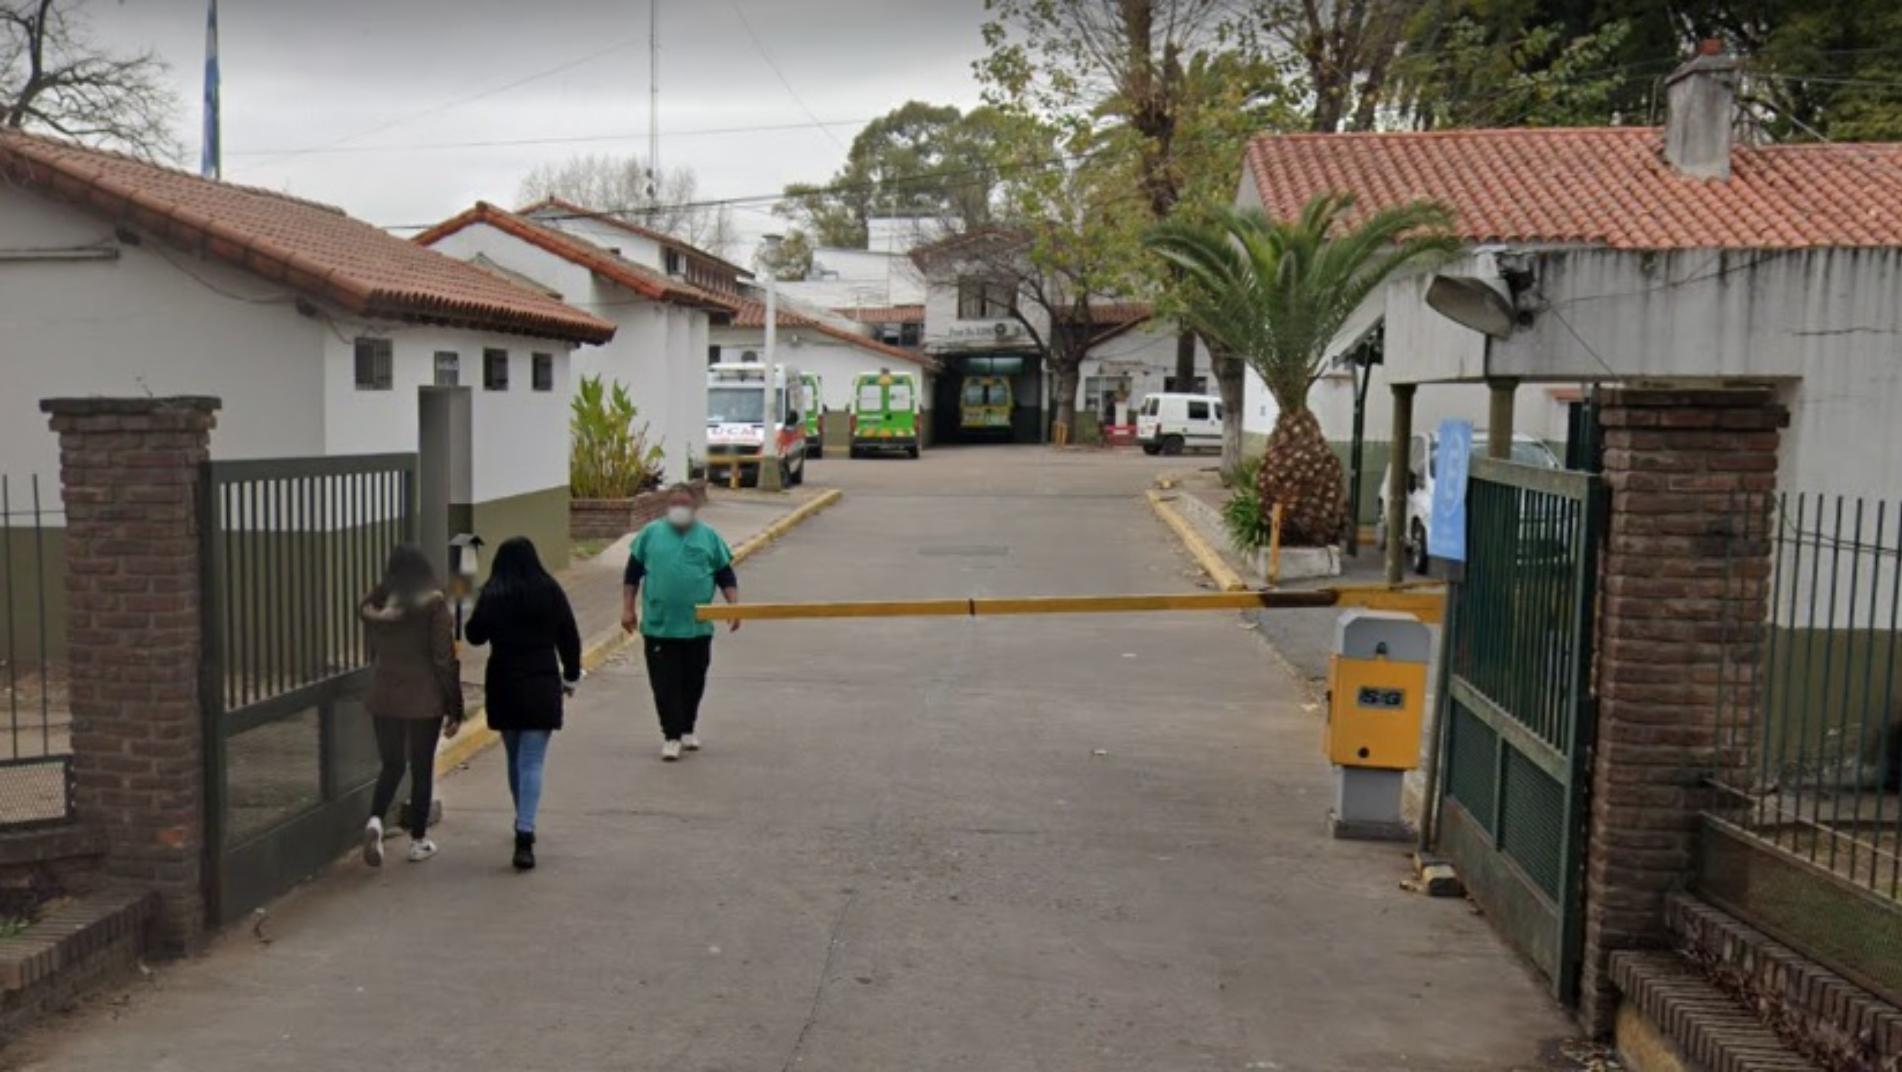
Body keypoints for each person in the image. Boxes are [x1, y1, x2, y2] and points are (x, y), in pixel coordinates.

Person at [465, 537, 582, 871]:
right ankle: (525, 830)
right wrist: (571, 675)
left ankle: (523, 820)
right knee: (531, 762)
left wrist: (474, 602)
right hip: (541, 682)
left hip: (504, 683)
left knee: (515, 759)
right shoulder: (549, 590)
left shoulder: (493, 593)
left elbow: (475, 635)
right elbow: (568, 636)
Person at [622, 484, 741, 761]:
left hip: (697, 627)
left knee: (693, 681)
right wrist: (627, 608)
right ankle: (671, 735)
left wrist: (734, 607)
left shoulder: (709, 537)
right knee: (664, 684)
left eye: (685, 503)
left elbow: (725, 575)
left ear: (695, 507)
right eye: (674, 503)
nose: (679, 508)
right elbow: (632, 574)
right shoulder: (650, 534)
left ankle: (687, 727)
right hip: (659, 625)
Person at [360, 544, 460, 866]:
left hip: (384, 695)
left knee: (391, 764)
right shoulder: (434, 605)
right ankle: (418, 841)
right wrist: (454, 706)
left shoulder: (375, 604)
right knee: (421, 769)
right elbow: (443, 659)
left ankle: (375, 820)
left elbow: (372, 652)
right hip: (423, 699)